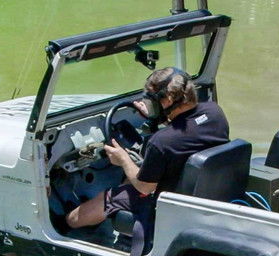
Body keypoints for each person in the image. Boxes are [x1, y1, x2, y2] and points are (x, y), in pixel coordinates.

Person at [66, 67, 230, 229]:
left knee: (108, 198)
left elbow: (144, 187)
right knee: (128, 179)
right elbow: (188, 130)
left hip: (165, 204)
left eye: (152, 101)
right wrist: (157, 116)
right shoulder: (214, 112)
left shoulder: (161, 142)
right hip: (206, 192)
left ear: (167, 101)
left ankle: (67, 222)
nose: (150, 104)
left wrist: (123, 159)